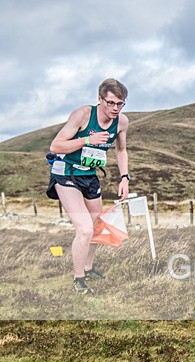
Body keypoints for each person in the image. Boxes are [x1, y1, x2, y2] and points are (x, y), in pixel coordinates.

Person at [47, 78, 130, 294]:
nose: (115, 108)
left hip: (90, 176)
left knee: (96, 226)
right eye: (110, 103)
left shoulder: (121, 122)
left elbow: (121, 150)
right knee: (84, 229)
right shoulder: (83, 115)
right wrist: (87, 140)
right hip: (66, 174)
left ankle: (88, 267)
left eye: (120, 104)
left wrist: (124, 178)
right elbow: (56, 145)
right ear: (100, 99)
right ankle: (78, 279)